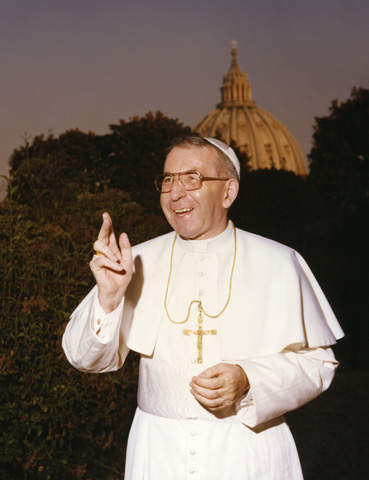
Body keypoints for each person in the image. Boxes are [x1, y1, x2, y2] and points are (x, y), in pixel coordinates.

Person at [62, 136, 344, 480]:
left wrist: (248, 380)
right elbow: (83, 359)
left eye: (191, 178)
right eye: (168, 180)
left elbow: (319, 364)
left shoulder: (280, 261)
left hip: (248, 452)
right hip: (157, 453)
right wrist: (108, 299)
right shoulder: (133, 261)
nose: (175, 193)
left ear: (228, 192)